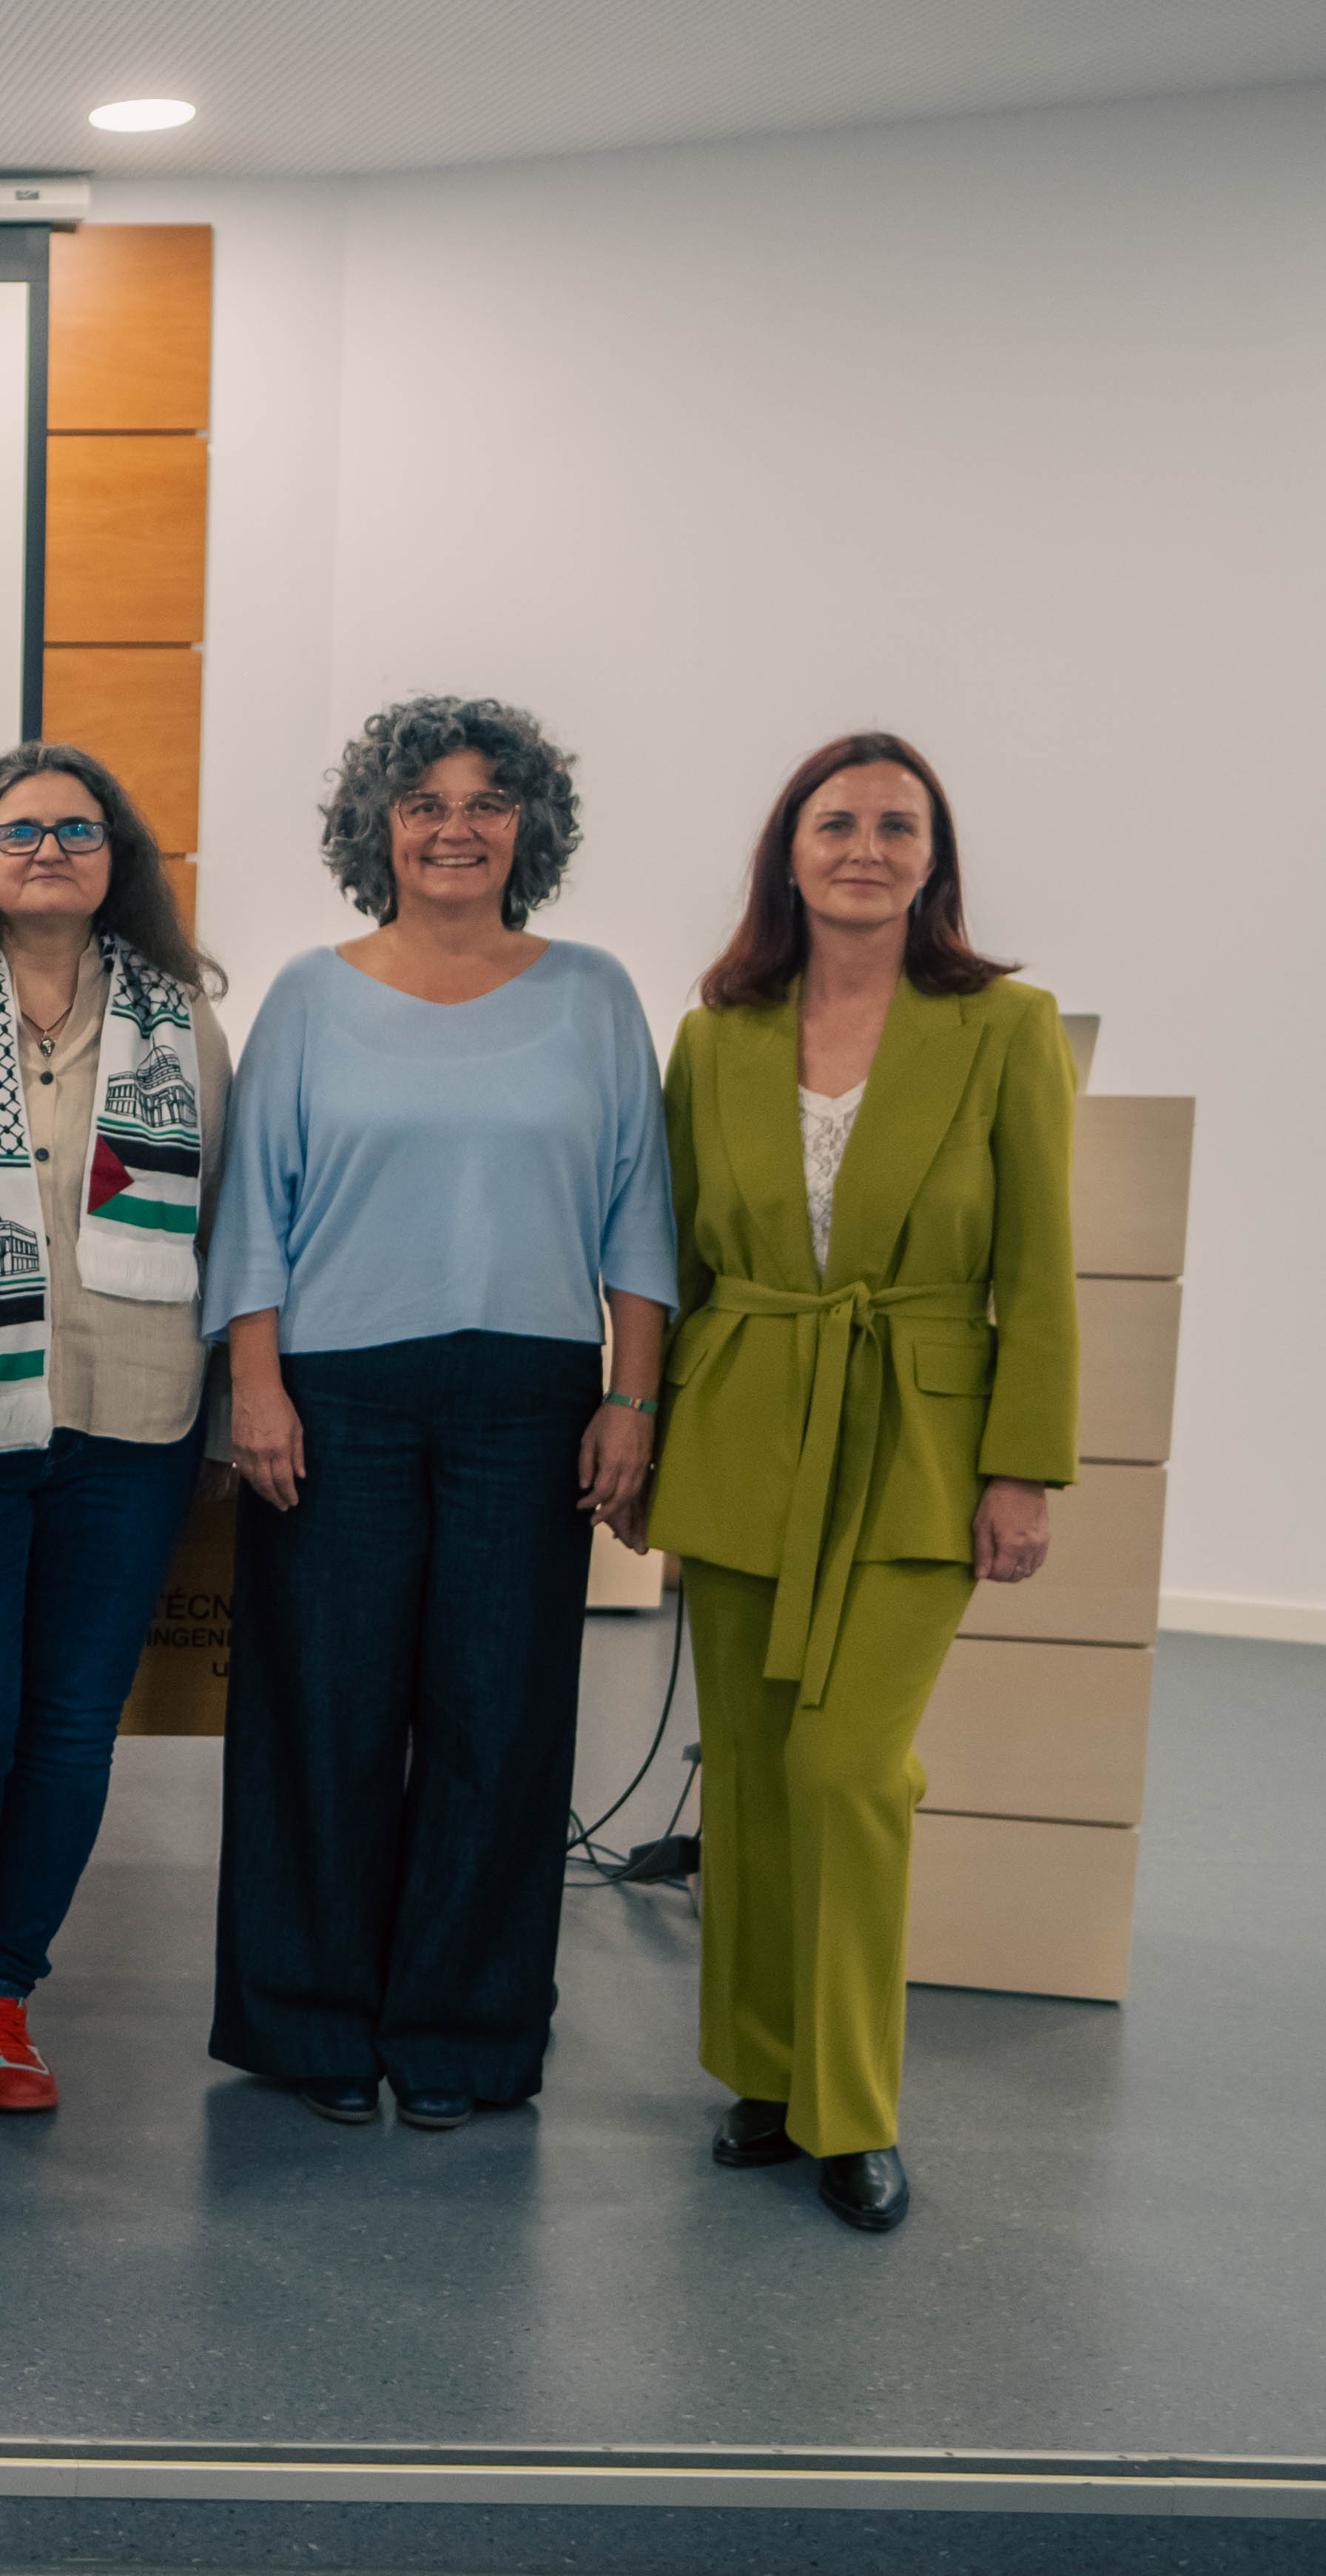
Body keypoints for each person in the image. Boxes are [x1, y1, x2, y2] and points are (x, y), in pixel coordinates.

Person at [205, 697, 679, 2133]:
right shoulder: (307, 993)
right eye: (424, 802)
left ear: (528, 826)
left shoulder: (594, 995)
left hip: (530, 1402)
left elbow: (638, 1215)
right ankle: (310, 2025)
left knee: (501, 1722)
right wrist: (257, 1387)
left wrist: (630, 1397)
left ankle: (466, 2036)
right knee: (322, 1717)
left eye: (486, 802)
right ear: (381, 829)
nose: (455, 827)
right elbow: (256, 1216)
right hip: (335, 1396)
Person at [650, 735, 1074, 2235]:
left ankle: (853, 2105)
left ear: (934, 859)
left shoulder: (1006, 1028)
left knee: (848, 1772)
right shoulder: (718, 1033)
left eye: (901, 825)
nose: (867, 846)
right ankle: (763, 2077)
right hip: (746, 1426)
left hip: (918, 1441)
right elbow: (684, 1258)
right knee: (755, 1776)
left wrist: (1022, 1468)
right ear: (789, 850)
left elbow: (1035, 1266)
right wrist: (644, 1429)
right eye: (838, 821)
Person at [0, 746, 230, 2124]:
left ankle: (9, 1998)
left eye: (80, 827)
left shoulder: (182, 1021)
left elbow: (221, 1218)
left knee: (75, 1731)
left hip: (130, 1419)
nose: (49, 849)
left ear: (116, 855)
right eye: (19, 829)